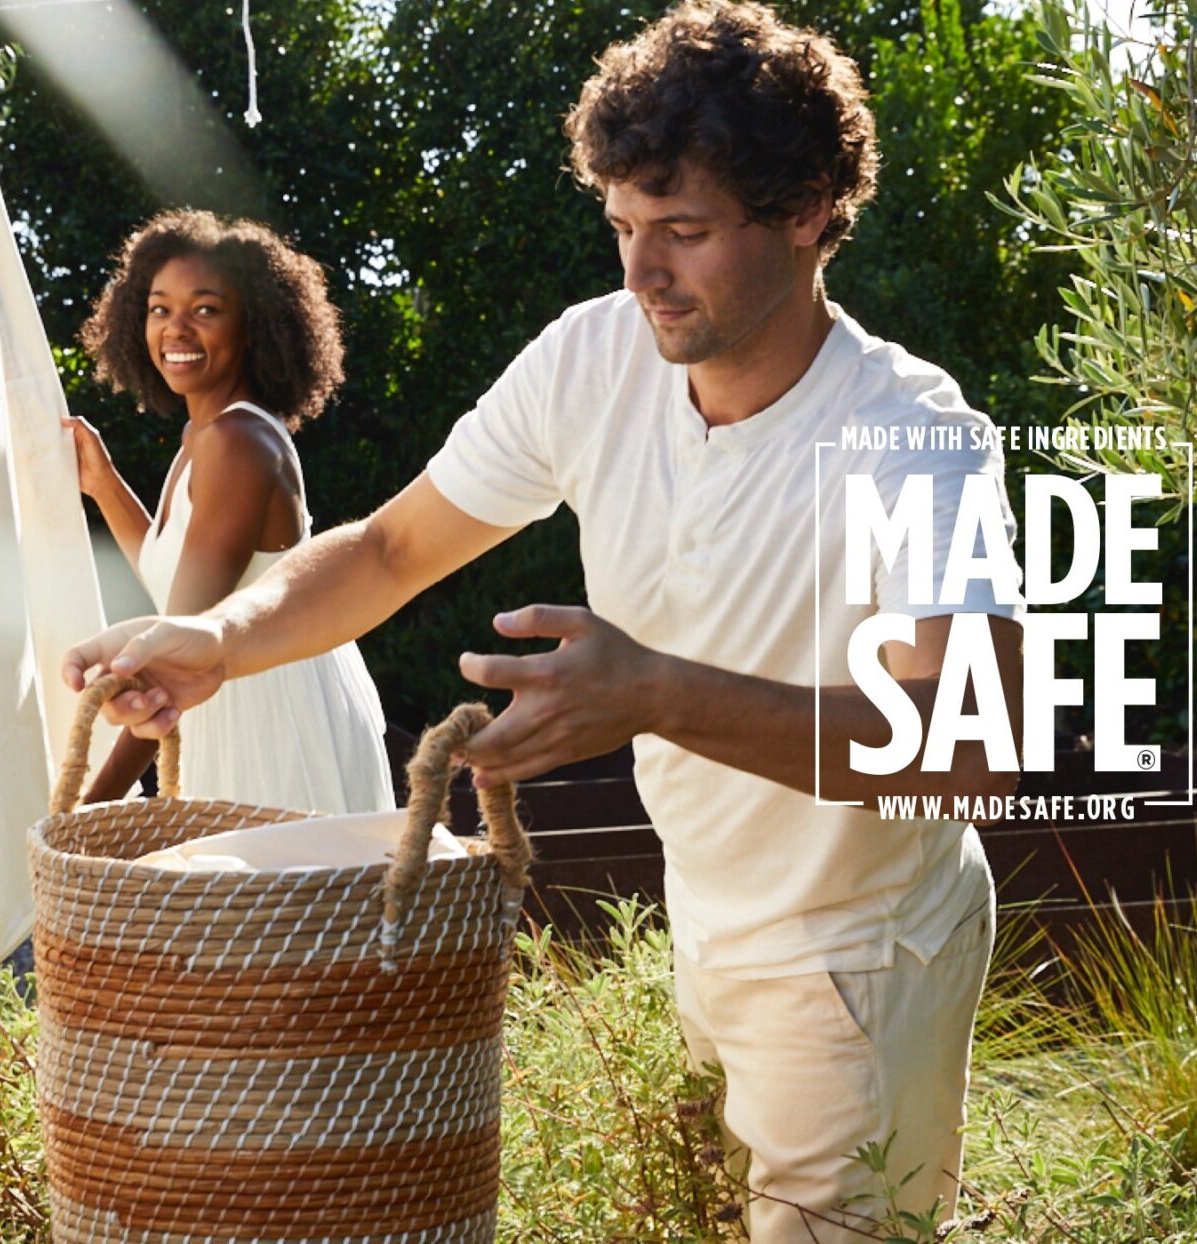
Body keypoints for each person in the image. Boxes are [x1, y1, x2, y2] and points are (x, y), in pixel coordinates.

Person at [61, 4, 1027, 1238]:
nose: (641, 273)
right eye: (624, 227)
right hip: (710, 907)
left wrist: (657, 693)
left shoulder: (915, 440)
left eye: (683, 231)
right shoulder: (594, 357)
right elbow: (391, 545)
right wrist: (218, 638)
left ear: (805, 213)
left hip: (863, 949)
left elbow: (964, 751)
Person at [61, 210, 395, 816]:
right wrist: (103, 484)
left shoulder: (236, 444)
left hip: (273, 722)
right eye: (160, 309)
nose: (176, 329)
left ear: (254, 327)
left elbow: (168, 654)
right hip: (230, 703)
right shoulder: (206, 436)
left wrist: (85, 807)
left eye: (205, 309)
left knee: (282, 908)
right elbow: (176, 582)